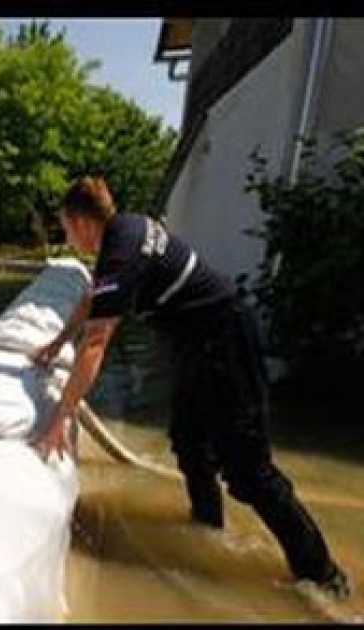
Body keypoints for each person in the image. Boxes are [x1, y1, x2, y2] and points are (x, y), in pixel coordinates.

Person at [31, 175, 351, 600]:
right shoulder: (125, 232)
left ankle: (324, 577)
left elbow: (95, 343)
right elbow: (94, 298)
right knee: (188, 442)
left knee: (248, 471)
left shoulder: (121, 247)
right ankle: (206, 529)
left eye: (66, 229)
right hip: (200, 344)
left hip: (226, 339)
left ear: (82, 222)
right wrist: (54, 345)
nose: (68, 238)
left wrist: (61, 416)